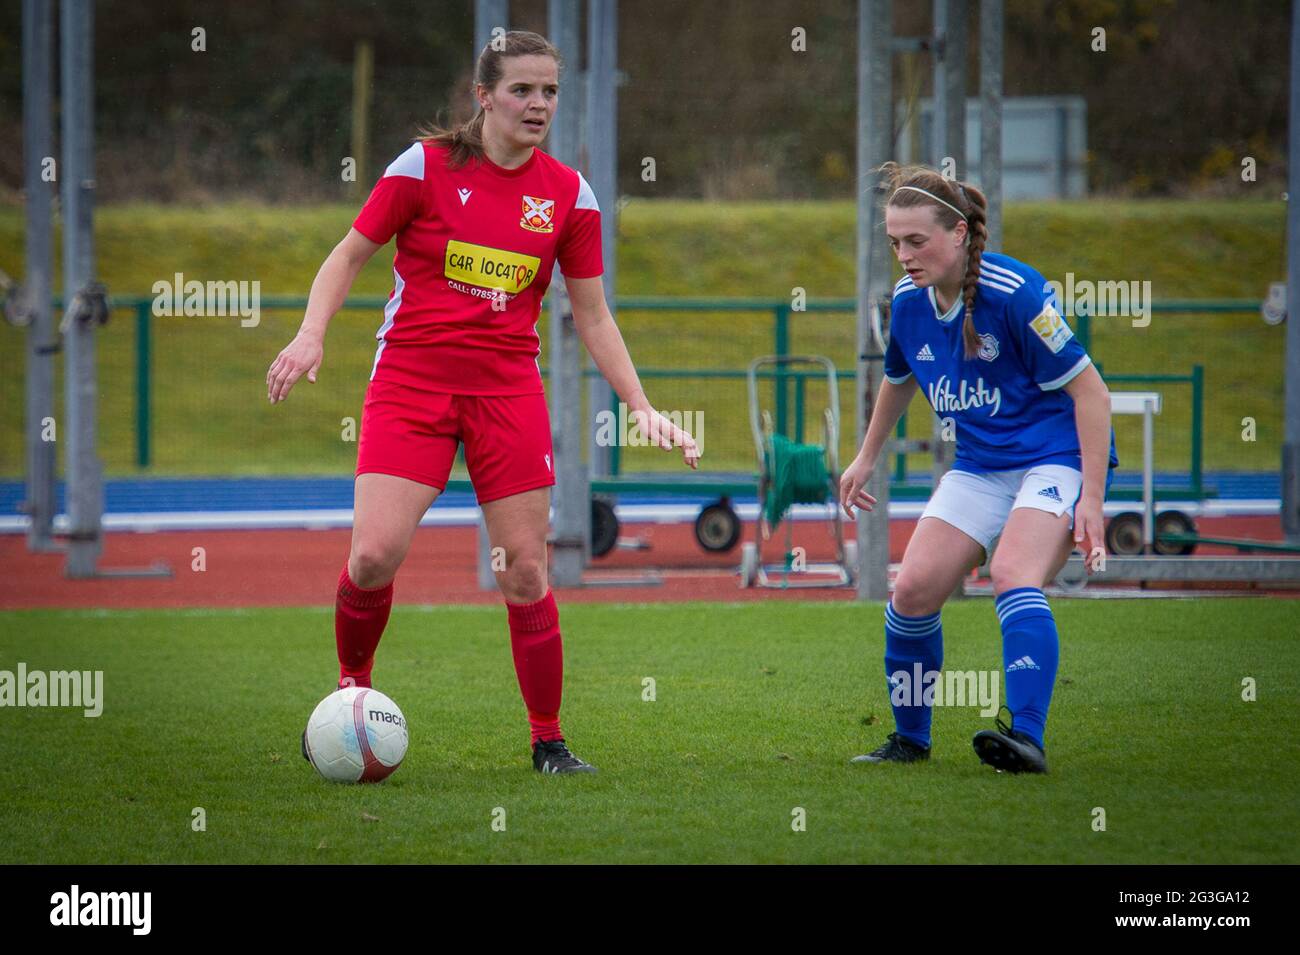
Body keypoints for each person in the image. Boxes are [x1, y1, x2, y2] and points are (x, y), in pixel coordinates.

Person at [266, 31, 699, 775]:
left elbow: (592, 315)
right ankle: (351, 701)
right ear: (484, 95)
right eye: (522, 90)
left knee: (525, 570)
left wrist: (640, 403)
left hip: (507, 392)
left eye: (550, 92)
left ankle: (549, 740)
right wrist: (311, 333)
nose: (538, 105)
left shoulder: (569, 194)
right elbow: (347, 255)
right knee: (372, 556)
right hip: (411, 384)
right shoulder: (423, 167)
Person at [838, 162, 1116, 774]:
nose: (904, 255)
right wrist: (865, 456)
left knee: (1013, 571)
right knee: (911, 591)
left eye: (917, 241)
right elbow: (897, 379)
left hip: (1054, 458)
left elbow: (1092, 394)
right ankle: (910, 740)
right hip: (981, 466)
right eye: (894, 243)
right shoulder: (909, 304)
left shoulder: (1016, 292)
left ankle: (1027, 738)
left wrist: (1090, 499)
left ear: (959, 233)